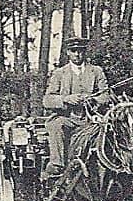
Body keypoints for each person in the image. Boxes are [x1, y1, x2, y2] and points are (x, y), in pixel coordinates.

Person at [40, 38, 111, 180]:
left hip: (91, 120)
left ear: (85, 52)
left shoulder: (96, 71)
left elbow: (106, 96)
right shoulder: (60, 73)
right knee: (55, 125)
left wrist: (92, 99)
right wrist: (66, 99)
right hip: (68, 119)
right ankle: (57, 164)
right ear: (68, 53)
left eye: (81, 51)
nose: (77, 54)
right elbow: (47, 100)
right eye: (74, 51)